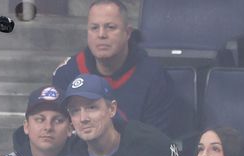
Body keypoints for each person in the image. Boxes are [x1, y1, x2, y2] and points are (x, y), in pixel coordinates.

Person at [52, 0, 183, 138]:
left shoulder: (154, 77)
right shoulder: (67, 74)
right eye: (94, 28)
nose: (101, 34)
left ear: (127, 33)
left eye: (110, 27)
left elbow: (155, 142)